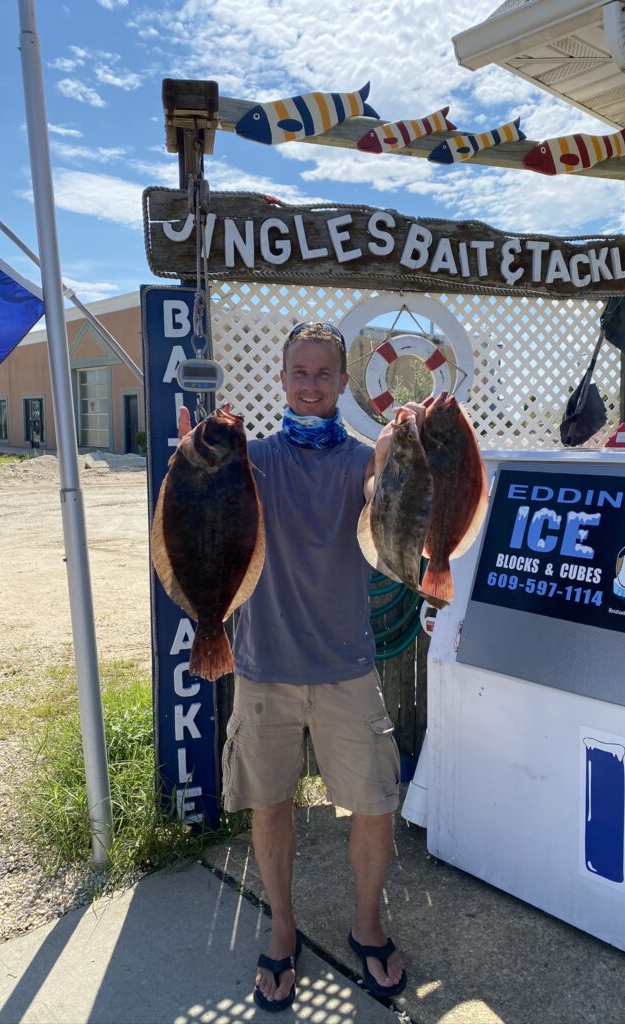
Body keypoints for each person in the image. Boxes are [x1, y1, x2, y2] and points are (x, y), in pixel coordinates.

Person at [221, 321, 420, 1012]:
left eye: (323, 374)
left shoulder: (364, 462)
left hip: (346, 667)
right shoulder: (249, 460)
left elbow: (387, 501)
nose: (310, 385)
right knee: (270, 803)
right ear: (282, 379)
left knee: (375, 804)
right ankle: (282, 928)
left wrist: (398, 453)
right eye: (299, 373)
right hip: (263, 667)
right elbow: (198, 510)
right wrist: (195, 454)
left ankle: (366, 925)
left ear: (343, 383)